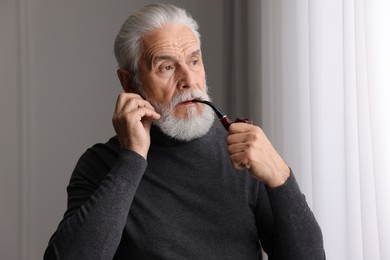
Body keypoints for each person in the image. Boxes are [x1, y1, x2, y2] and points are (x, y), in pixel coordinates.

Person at [44, 3, 325, 259]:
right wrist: (132, 160)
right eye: (167, 67)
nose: (189, 80)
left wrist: (281, 177)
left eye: (194, 61)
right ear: (129, 83)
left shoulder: (243, 158)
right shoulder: (100, 165)